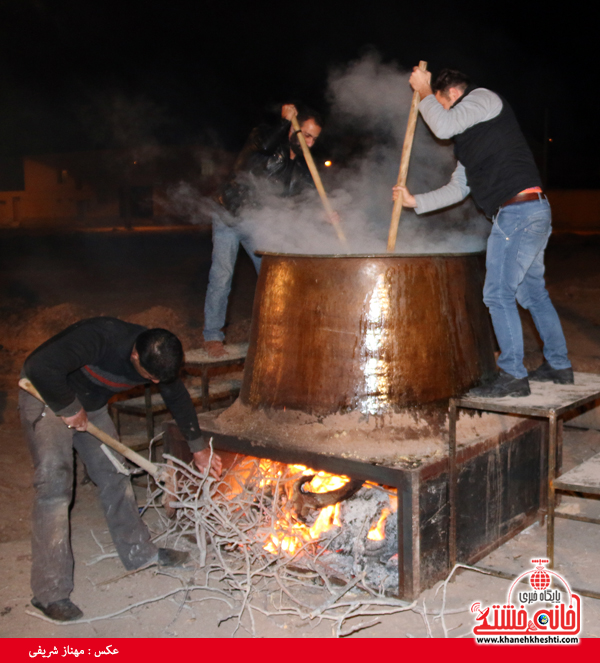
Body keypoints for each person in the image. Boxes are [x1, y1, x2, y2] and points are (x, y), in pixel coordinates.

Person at [19, 317, 222, 621]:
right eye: (149, 376)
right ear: (134, 355)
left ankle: (139, 552)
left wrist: (198, 447)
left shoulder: (159, 357)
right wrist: (67, 406)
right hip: (47, 394)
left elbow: (175, 395)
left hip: (91, 405)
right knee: (55, 487)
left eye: (159, 379)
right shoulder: (100, 337)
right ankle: (50, 592)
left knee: (116, 475)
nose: (154, 383)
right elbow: (38, 366)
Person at [393, 67, 572, 397]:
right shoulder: (470, 140)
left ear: (453, 95)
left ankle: (512, 375)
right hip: (529, 211)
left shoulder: (483, 98)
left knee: (497, 294)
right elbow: (458, 189)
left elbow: (443, 125)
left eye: (442, 104)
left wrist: (423, 92)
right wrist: (414, 201)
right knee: (531, 293)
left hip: (517, 211)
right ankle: (559, 366)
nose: (442, 114)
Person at [203, 102, 323, 358]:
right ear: (293, 129)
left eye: (314, 139)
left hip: (256, 223)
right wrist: (284, 121)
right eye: (307, 135)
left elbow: (304, 200)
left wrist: (324, 213)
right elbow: (267, 145)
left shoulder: (300, 168)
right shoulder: (263, 137)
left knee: (272, 277)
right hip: (228, 214)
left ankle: (274, 331)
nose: (310, 143)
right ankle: (213, 337)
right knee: (222, 275)